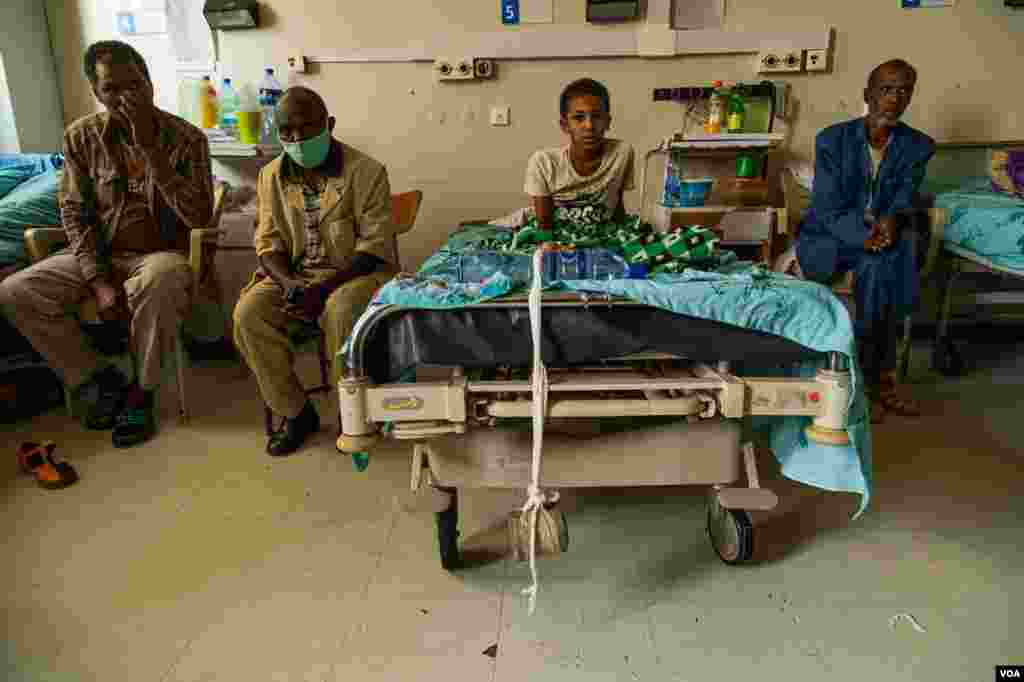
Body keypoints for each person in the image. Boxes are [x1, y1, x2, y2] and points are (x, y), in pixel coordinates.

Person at [0, 40, 214, 447]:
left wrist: (152, 151)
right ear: (96, 92)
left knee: (162, 278)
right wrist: (97, 280)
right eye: (112, 89)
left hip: (158, 255)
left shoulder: (187, 139)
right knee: (15, 291)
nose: (124, 97)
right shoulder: (81, 137)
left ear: (149, 83)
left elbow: (199, 216)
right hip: (99, 253)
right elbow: (75, 215)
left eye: (133, 84)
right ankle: (95, 377)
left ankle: (143, 391)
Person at [233, 87, 397, 457]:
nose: (296, 139)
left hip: (352, 275)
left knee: (341, 309)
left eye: (306, 129)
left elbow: (372, 249)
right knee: (249, 313)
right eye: (286, 132)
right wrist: (290, 284)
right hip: (294, 276)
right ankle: (295, 413)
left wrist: (321, 290)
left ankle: (350, 414)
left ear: (329, 125)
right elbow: (268, 243)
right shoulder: (271, 176)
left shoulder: (367, 172)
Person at [794, 59, 934, 423]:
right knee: (884, 266)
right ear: (868, 94)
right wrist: (864, 235)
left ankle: (865, 383)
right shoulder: (832, 139)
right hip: (832, 237)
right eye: (886, 89)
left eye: (903, 90)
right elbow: (827, 207)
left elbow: (905, 193)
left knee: (880, 267)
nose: (894, 98)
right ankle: (880, 382)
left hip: (885, 239)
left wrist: (891, 219)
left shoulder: (919, 146)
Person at [524, 78, 635, 230]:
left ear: (607, 122)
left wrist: (623, 237)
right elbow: (544, 225)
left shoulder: (622, 153)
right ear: (565, 125)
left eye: (596, 116)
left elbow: (616, 205)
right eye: (578, 118)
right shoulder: (544, 162)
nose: (589, 126)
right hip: (542, 225)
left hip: (595, 231)